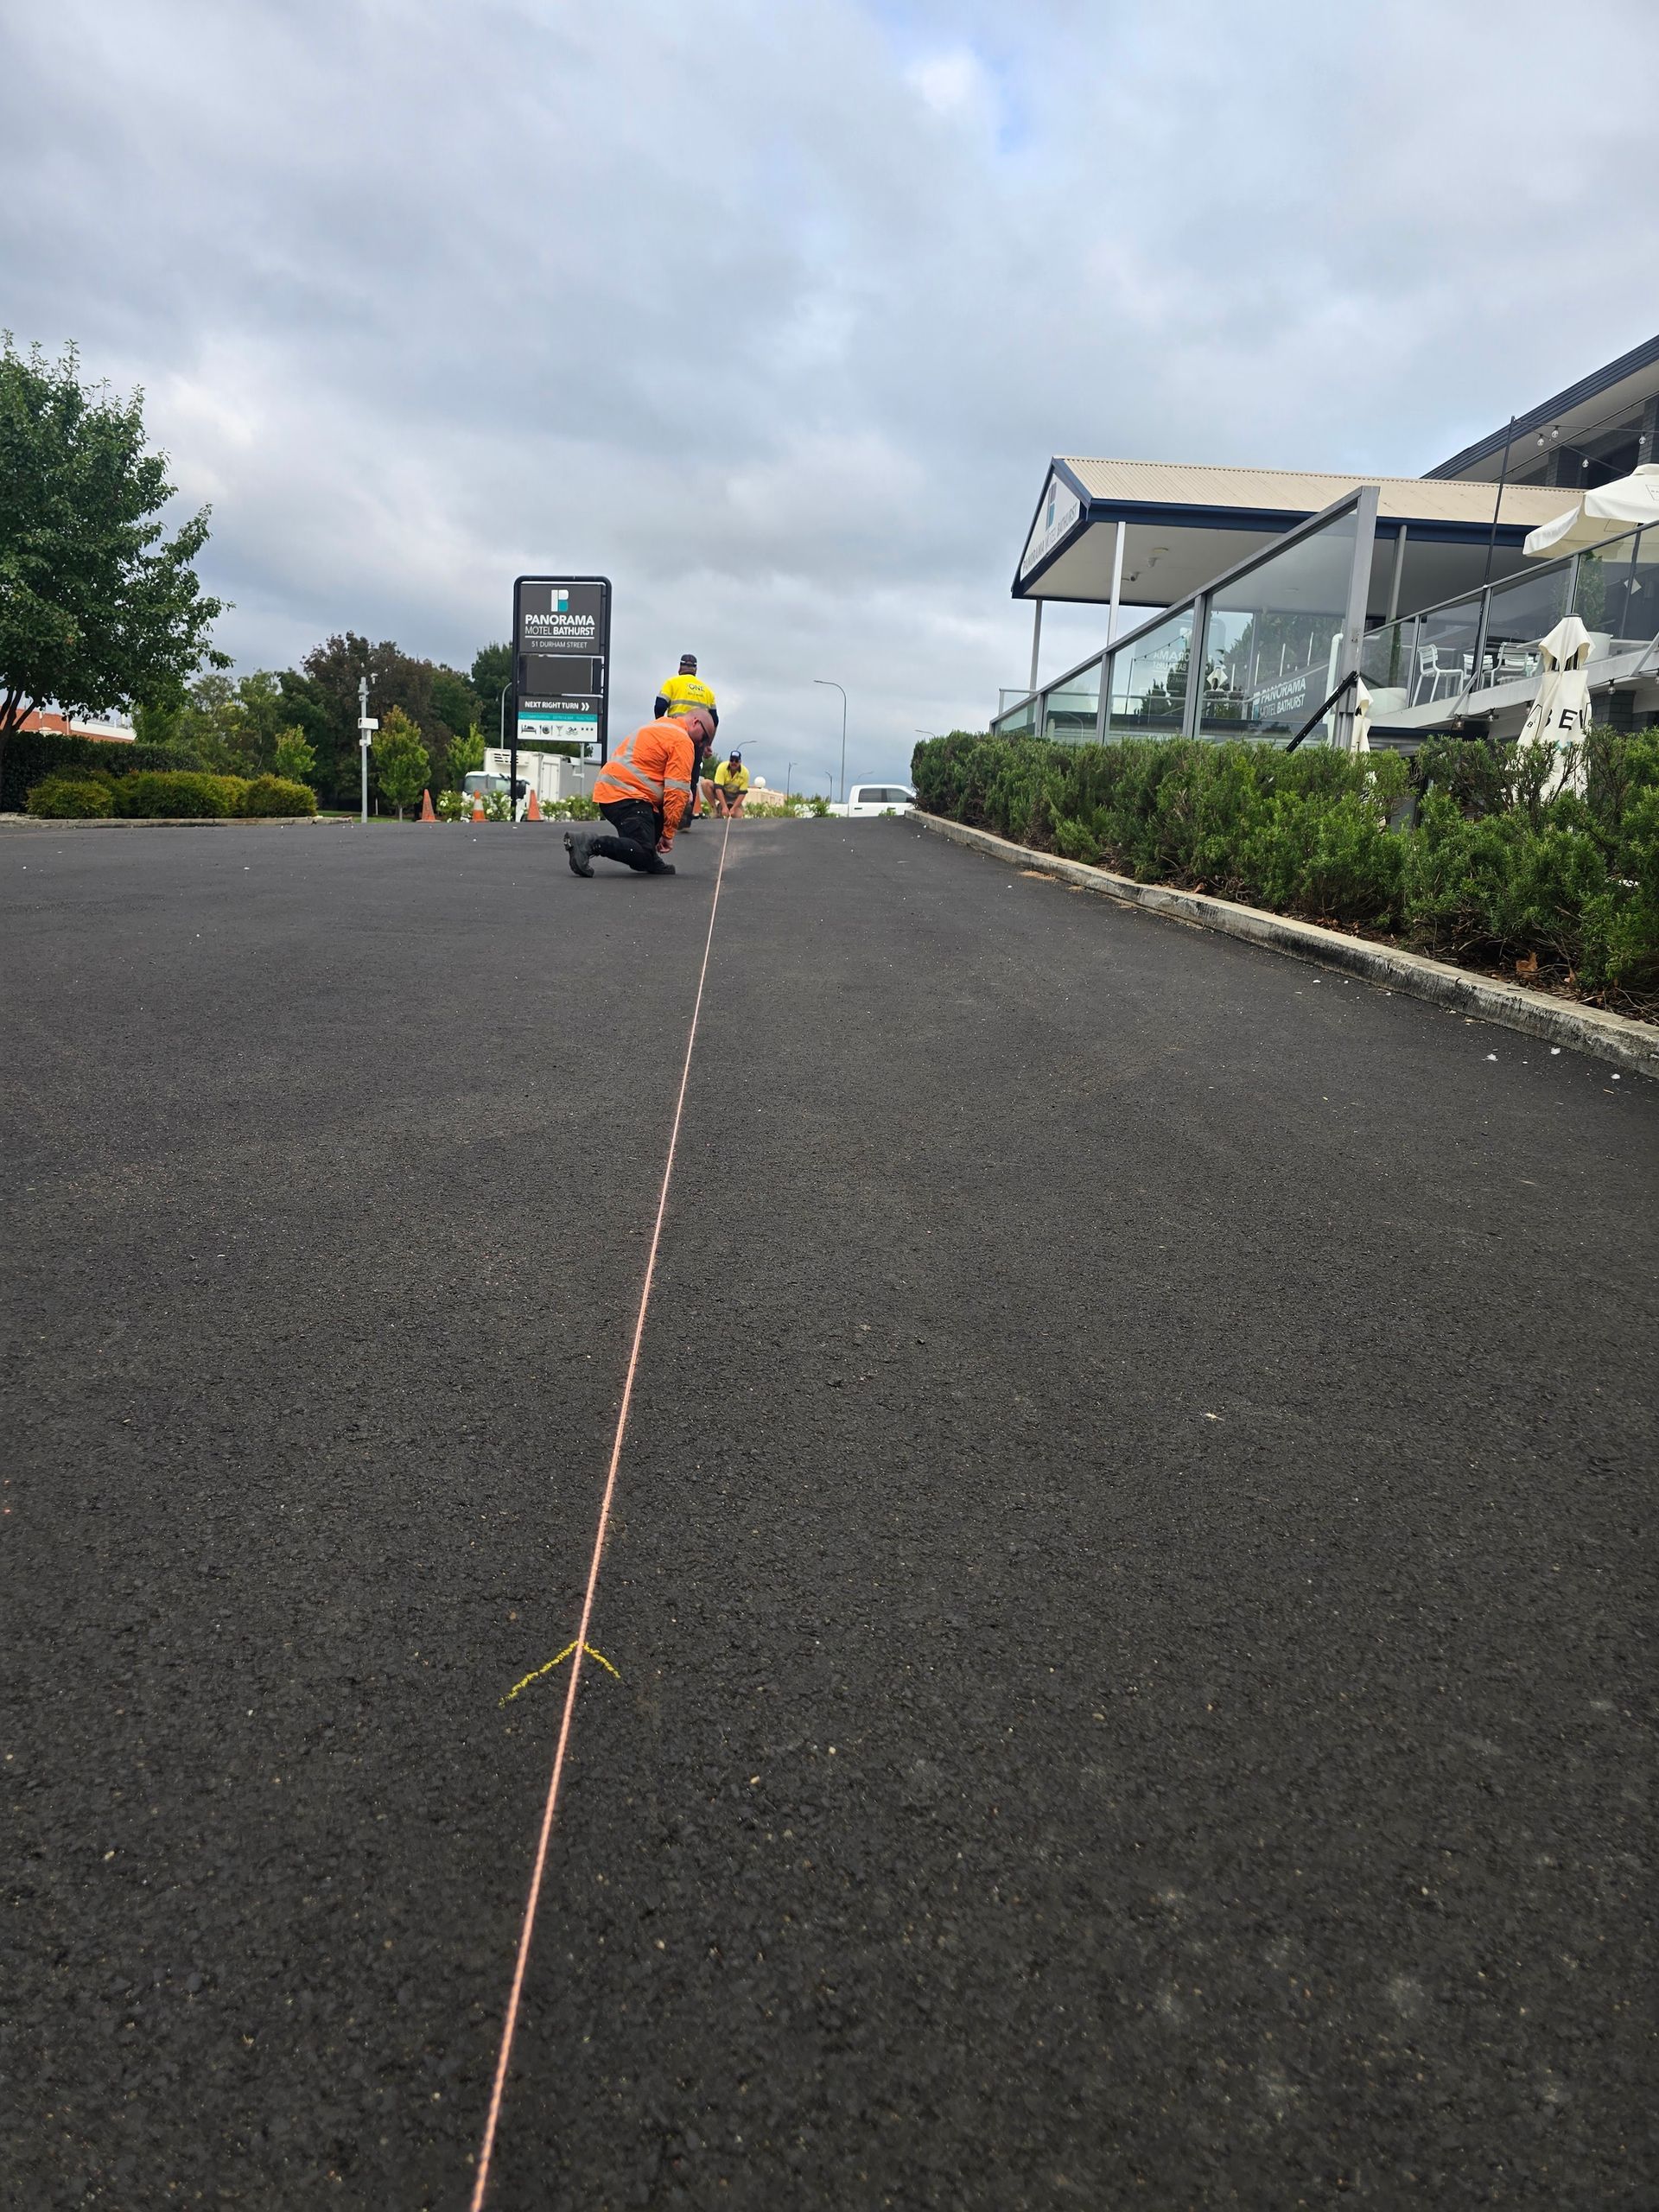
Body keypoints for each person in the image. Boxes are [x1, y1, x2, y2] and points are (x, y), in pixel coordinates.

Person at [565, 704, 711, 878]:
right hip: (627, 796)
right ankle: (589, 843)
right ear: (695, 722)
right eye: (704, 738)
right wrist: (668, 834)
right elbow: (675, 792)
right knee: (641, 851)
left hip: (617, 791)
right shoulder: (682, 740)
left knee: (648, 841)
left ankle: (650, 857)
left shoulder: (661, 725)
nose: (702, 744)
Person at [654, 655, 718, 818]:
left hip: (673, 735)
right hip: (696, 741)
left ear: (680, 668)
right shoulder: (707, 691)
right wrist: (708, 744)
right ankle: (685, 816)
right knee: (692, 777)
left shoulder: (672, 683)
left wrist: (660, 725)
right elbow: (714, 720)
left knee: (667, 773)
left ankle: (665, 814)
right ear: (695, 670)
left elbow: (660, 706)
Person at [709, 748, 750, 818]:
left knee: (738, 816)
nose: (734, 762)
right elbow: (718, 788)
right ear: (729, 760)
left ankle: (729, 808)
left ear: (740, 762)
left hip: (734, 797)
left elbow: (742, 794)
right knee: (706, 783)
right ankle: (715, 810)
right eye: (732, 760)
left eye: (736, 761)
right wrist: (724, 807)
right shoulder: (722, 767)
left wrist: (733, 808)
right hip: (723, 794)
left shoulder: (745, 772)